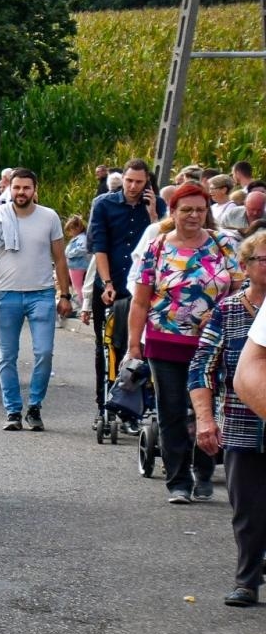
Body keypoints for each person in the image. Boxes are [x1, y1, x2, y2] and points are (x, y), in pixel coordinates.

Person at [127, 183, 242, 503]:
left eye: (200, 210)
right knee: (172, 410)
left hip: (211, 345)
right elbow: (139, 302)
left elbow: (238, 291)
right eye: (187, 209)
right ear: (172, 212)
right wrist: (134, 346)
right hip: (164, 343)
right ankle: (178, 481)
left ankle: (204, 471)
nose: (194, 215)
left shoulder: (224, 245)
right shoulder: (157, 247)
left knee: (205, 410)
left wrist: (219, 314)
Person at [190, 228, 266, 605]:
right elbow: (202, 366)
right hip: (242, 425)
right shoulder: (230, 310)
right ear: (246, 266)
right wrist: (205, 419)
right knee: (248, 511)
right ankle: (247, 581)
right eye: (263, 259)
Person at [0, 168, 72, 431]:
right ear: (10, 190)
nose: (21, 193)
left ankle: (35, 406)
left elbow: (60, 259)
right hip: (7, 296)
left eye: (26, 188)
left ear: (34, 190)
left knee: (44, 352)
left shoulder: (49, 217)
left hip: (41, 295)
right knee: (7, 357)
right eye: (17, 188)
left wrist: (64, 295)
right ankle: (13, 411)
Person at [88, 158, 165, 419]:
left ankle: (138, 406)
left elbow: (163, 241)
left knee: (141, 348)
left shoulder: (157, 206)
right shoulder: (104, 204)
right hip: (111, 284)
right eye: (129, 181)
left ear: (148, 184)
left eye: (139, 182)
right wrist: (107, 283)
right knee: (107, 345)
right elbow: (99, 245)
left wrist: (154, 215)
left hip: (143, 290)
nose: (132, 186)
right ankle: (105, 403)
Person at [64, 214, 89, 296]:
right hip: (75, 266)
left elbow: (82, 249)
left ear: (78, 228)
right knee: (78, 287)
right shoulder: (76, 238)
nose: (70, 232)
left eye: (71, 229)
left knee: (78, 288)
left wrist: (69, 254)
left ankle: (83, 305)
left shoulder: (82, 238)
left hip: (77, 266)